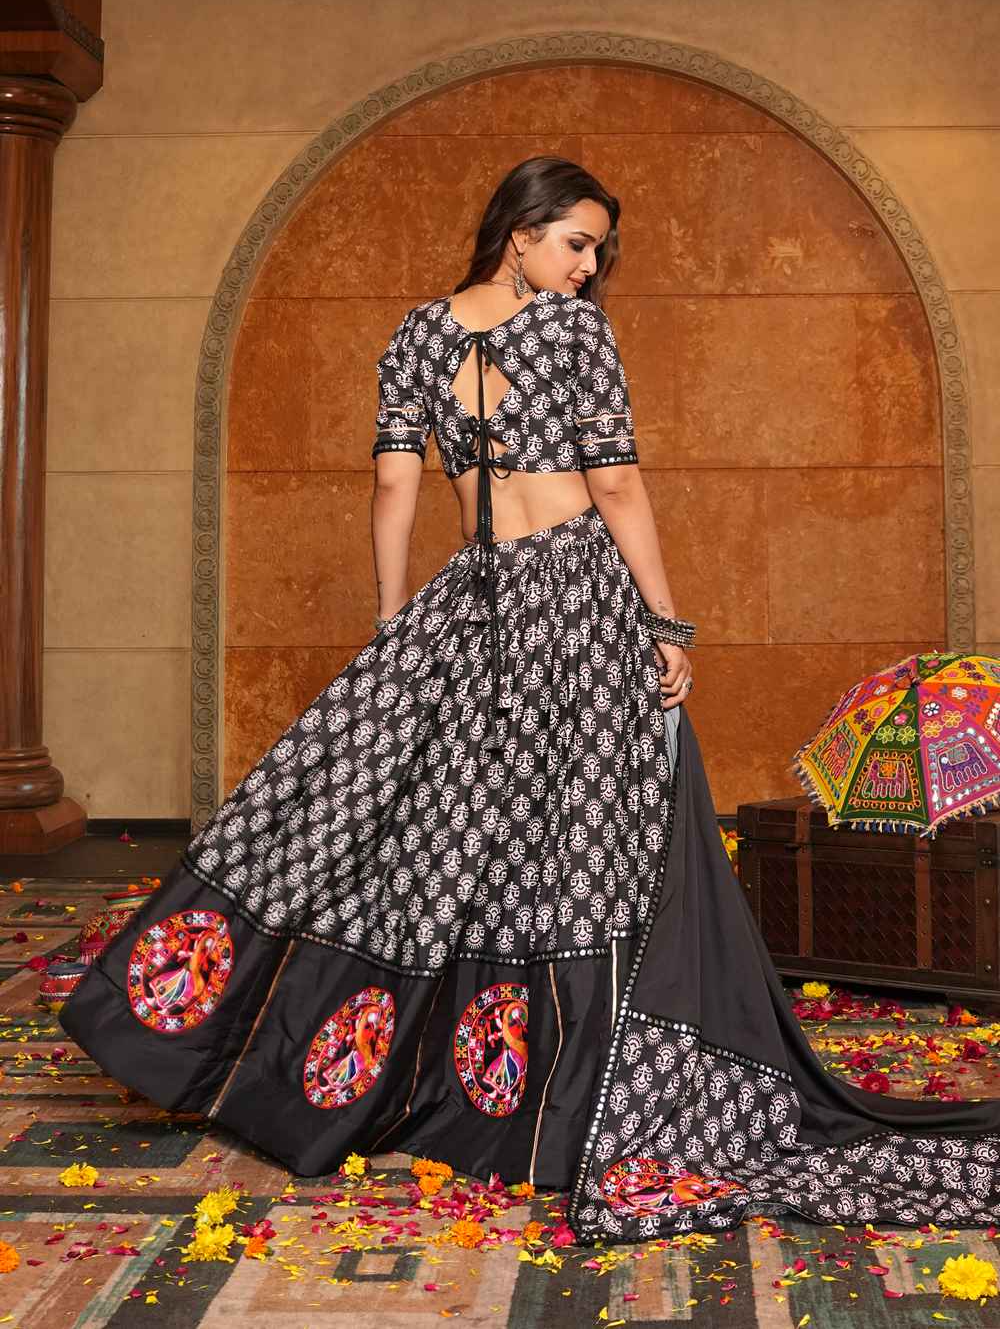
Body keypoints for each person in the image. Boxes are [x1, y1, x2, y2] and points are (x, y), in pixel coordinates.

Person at [60, 155, 1000, 1243]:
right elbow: (616, 483)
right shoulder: (570, 332)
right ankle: (566, 1095)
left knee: (457, 838)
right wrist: (666, 621)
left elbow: (393, 482)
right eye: (577, 243)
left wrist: (394, 621)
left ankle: (381, 1073)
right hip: (576, 593)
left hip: (472, 596)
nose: (589, 268)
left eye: (597, 251)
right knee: (591, 842)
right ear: (520, 232)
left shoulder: (417, 334)